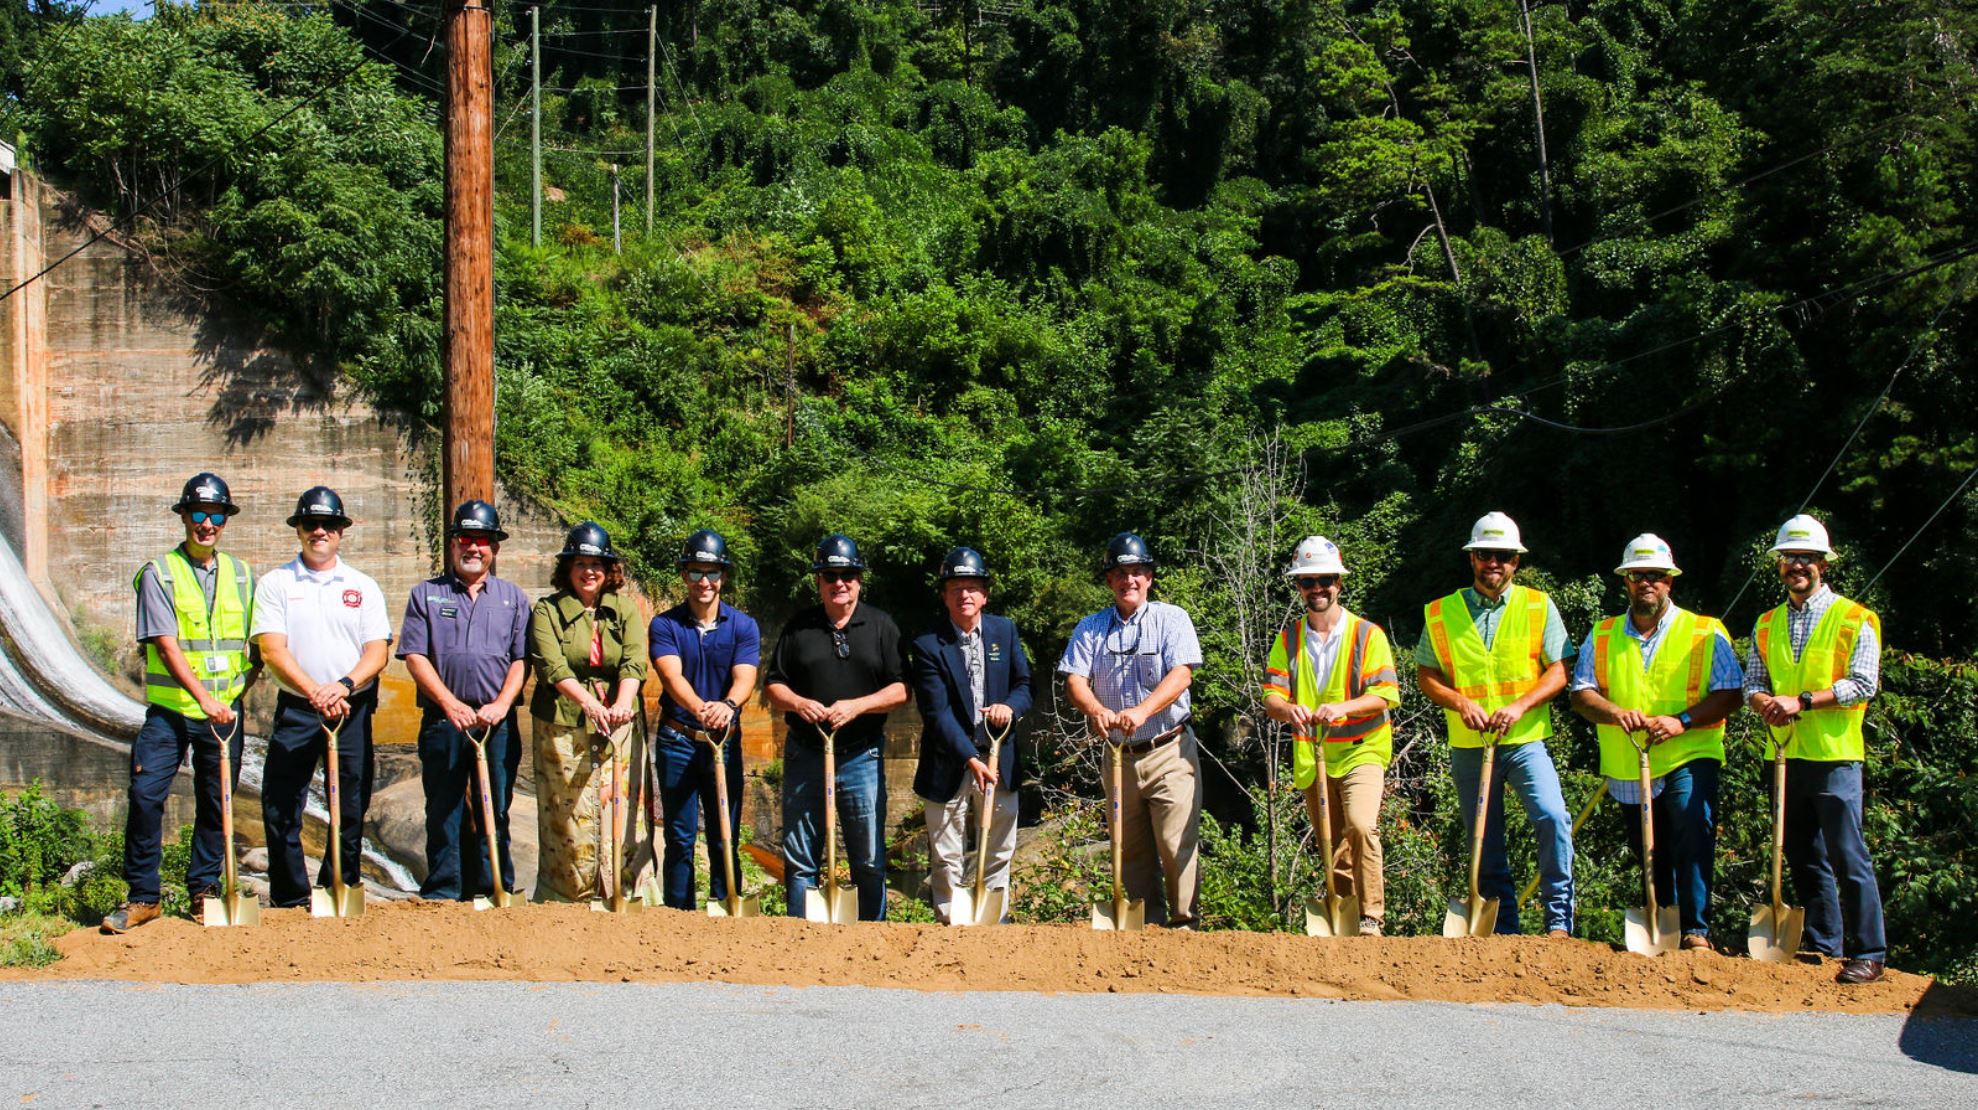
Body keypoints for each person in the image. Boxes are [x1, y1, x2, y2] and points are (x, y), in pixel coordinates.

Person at [1568, 534, 1742, 953]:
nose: (1646, 582)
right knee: (1649, 846)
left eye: (1655, 576)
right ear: (1626, 581)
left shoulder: (1704, 631)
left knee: (1690, 826)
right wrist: (1614, 713)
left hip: (1689, 750)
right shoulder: (1604, 633)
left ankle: (1696, 929)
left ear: (1670, 582)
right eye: (1637, 575)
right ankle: (1663, 922)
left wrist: (1682, 721)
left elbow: (1731, 692)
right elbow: (1580, 694)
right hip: (1630, 761)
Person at [104, 473, 260, 933]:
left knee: (218, 804)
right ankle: (143, 898)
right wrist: (206, 700)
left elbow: (257, 647)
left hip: (225, 713)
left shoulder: (244, 575)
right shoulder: (160, 573)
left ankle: (203, 891)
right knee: (146, 795)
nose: (206, 524)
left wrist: (235, 695)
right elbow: (167, 647)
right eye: (198, 514)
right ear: (184, 517)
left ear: (225, 521)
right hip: (171, 713)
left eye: (216, 516)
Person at [1415, 511, 1577, 937]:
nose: (1494, 564)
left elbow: (1560, 669)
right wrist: (1459, 702)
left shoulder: (1539, 606)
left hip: (1524, 740)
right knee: (1483, 841)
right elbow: (1427, 675)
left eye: (1503, 556)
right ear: (1472, 558)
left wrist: (1520, 706)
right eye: (1486, 554)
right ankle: (1503, 929)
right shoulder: (1440, 612)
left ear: (1516, 562)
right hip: (1469, 743)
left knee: (1552, 817)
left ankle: (1559, 920)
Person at [1743, 514, 1887, 984]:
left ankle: (1870, 952)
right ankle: (1826, 945)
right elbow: (1753, 683)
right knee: (1803, 856)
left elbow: (1864, 683)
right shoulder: (1766, 623)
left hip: (1835, 756)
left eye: (1806, 558)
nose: (1797, 566)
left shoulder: (1854, 619)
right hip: (1784, 755)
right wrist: (1764, 701)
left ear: (1823, 565)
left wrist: (1802, 701)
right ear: (1780, 565)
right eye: (1790, 558)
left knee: (1849, 856)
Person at [248, 486, 392, 909]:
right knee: (280, 803)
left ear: (341, 531)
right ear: (299, 530)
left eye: (328, 524)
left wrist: (342, 686)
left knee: (350, 803)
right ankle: (290, 895)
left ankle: (338, 888)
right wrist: (315, 692)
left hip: (351, 707)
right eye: (310, 524)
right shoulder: (276, 583)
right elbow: (272, 649)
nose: (319, 531)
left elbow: (378, 650)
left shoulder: (363, 586)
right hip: (299, 707)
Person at [1058, 532, 1204, 929]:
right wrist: (1096, 710)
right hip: (1119, 755)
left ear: (1150, 577)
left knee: (1175, 843)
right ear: (1109, 580)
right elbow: (1075, 680)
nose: (1130, 581)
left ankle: (1185, 923)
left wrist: (1142, 710)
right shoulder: (1090, 628)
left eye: (1137, 572)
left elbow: (1182, 674)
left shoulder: (1172, 619)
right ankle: (1145, 927)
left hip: (1168, 749)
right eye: (1121, 574)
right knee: (1129, 847)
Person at [763, 533, 910, 920]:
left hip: (861, 756)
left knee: (869, 858)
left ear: (859, 579)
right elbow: (774, 685)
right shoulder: (799, 628)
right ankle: (800, 936)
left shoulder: (881, 626)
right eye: (830, 576)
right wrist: (798, 702)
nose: (839, 583)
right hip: (805, 755)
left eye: (847, 575)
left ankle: (871, 937)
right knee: (800, 859)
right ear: (819, 581)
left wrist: (857, 707)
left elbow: (901, 690)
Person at [1260, 536, 1400, 936]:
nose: (1317, 588)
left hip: (1362, 749)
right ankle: (1345, 916)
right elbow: (1271, 696)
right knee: (1330, 842)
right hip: (1314, 756)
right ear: (1298, 587)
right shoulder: (1288, 639)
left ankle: (1372, 916)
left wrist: (1341, 708)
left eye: (1324, 580)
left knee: (1359, 826)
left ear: (1339, 582)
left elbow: (1385, 695)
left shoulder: (1367, 635)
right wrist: (1289, 710)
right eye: (1308, 581)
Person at [398, 500, 530, 902]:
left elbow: (521, 660)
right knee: (444, 808)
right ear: (453, 543)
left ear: (495, 548)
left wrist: (503, 705)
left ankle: (495, 888)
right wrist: (451, 703)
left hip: (496, 722)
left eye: (483, 541)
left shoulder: (513, 598)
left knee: (499, 808)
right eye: (466, 539)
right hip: (444, 720)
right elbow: (415, 656)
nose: (474, 548)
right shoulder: (426, 594)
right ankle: (443, 890)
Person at [526, 522, 649, 903]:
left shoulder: (625, 609)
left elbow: (633, 662)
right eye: (580, 563)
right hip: (562, 723)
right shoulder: (547, 609)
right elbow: (553, 665)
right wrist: (590, 704)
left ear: (609, 569)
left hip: (619, 722)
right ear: (567, 569)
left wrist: (622, 705)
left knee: (621, 806)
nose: (589, 571)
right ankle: (567, 894)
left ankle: (623, 889)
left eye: (597, 563)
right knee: (569, 809)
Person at [911, 547, 1034, 924]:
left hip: (999, 756)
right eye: (955, 588)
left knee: (998, 846)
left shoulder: (1004, 630)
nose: (964, 595)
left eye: (972, 587)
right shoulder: (927, 644)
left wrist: (1009, 707)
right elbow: (937, 713)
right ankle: (950, 919)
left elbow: (1024, 684)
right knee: (946, 852)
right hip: (950, 759)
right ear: (944, 595)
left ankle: (995, 917)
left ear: (985, 594)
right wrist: (970, 758)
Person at [649, 529, 761, 911]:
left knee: (723, 833)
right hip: (677, 740)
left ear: (723, 577)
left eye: (712, 573)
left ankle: (726, 905)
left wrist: (727, 706)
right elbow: (670, 675)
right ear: (684, 575)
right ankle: (679, 915)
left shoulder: (743, 626)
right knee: (679, 836)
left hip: (724, 740)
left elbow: (745, 676)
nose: (704, 582)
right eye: (696, 572)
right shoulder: (665, 625)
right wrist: (700, 709)